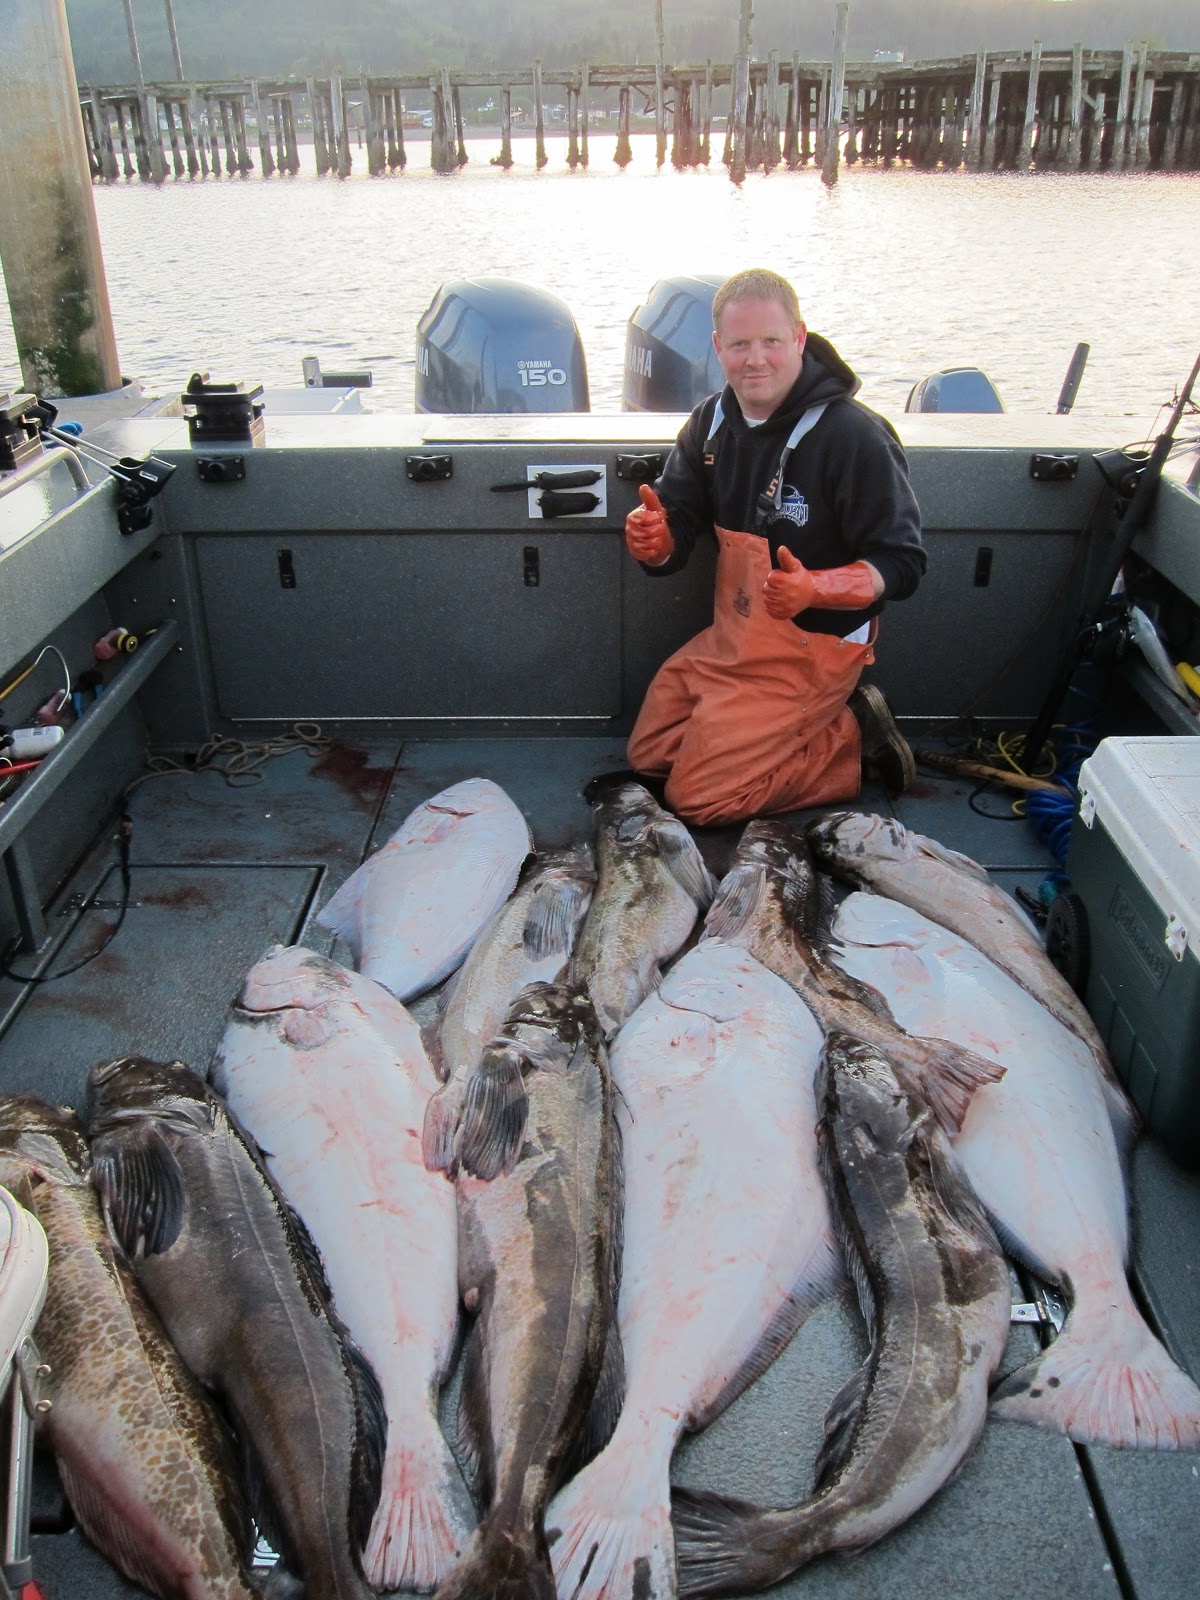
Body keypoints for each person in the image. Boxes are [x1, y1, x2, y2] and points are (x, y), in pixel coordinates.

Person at [624, 267, 925, 828]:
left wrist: (817, 587)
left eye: (771, 341)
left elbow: (902, 562)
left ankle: (852, 738)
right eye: (739, 344)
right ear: (717, 348)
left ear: (800, 339)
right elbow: (677, 519)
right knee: (650, 756)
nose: (755, 359)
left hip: (813, 648)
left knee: (698, 800)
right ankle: (789, 729)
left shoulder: (854, 436)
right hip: (736, 637)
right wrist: (656, 540)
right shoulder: (709, 423)